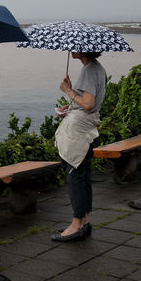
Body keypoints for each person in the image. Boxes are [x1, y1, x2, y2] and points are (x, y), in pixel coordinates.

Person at [52, 51, 106, 242]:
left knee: (75, 175)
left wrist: (67, 90)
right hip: (86, 127)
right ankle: (84, 221)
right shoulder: (96, 68)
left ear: (84, 49)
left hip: (78, 132)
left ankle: (76, 224)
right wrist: (69, 107)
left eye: (75, 46)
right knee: (83, 175)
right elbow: (86, 103)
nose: (71, 48)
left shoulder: (89, 70)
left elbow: (89, 103)